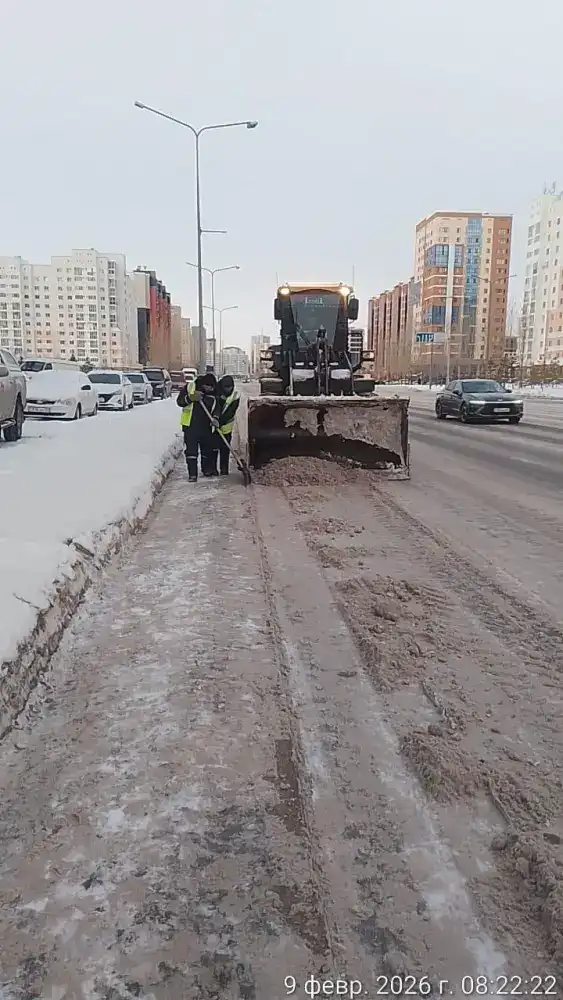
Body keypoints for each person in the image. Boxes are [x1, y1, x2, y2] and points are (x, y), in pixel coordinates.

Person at [176, 373, 219, 481]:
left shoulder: (213, 393)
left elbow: (217, 406)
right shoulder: (190, 387)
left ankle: (206, 470)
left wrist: (215, 418)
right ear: (205, 385)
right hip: (191, 426)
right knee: (191, 452)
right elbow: (180, 401)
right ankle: (192, 474)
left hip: (206, 426)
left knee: (207, 450)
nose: (212, 389)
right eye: (210, 387)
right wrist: (191, 398)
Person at [214, 374, 241, 476]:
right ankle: (212, 469)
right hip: (213, 426)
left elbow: (230, 412)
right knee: (213, 449)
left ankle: (224, 470)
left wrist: (219, 422)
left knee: (225, 450)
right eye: (226, 387)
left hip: (226, 427)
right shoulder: (216, 392)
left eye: (229, 387)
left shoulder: (235, 396)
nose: (228, 389)